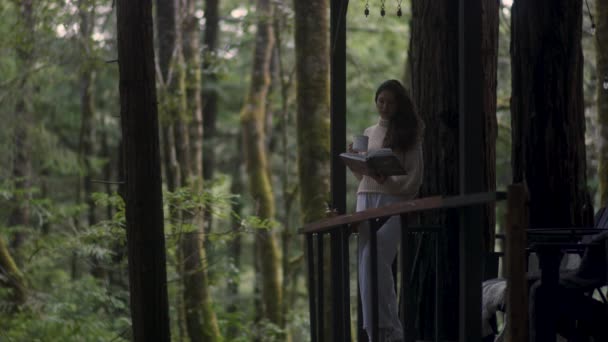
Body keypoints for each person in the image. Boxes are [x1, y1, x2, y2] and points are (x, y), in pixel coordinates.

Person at [348, 79, 424, 342]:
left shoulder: (409, 133)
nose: (384, 106)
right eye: (381, 100)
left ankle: (391, 330)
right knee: (365, 266)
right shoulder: (368, 132)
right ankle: (375, 331)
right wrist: (355, 164)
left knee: (375, 259)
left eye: (390, 102)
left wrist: (388, 181)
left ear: (399, 104)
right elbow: (364, 177)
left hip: (392, 202)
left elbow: (414, 179)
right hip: (365, 199)